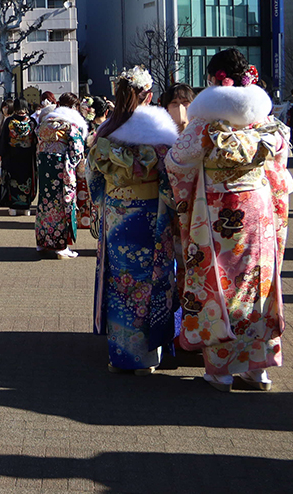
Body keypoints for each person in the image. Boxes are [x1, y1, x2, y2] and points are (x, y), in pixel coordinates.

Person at [166, 50, 292, 392]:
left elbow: (177, 161)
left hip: (218, 211)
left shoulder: (206, 122)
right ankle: (258, 369)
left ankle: (220, 371)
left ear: (214, 79)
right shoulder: (264, 118)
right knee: (258, 283)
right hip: (259, 211)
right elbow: (279, 163)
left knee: (219, 282)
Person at [87, 67, 180, 374]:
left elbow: (91, 176)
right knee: (151, 278)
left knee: (120, 283)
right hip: (151, 212)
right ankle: (148, 356)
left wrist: (103, 204)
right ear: (149, 96)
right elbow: (172, 176)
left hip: (117, 214)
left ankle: (121, 355)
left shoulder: (106, 130)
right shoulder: (159, 130)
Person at [35, 92, 88, 259]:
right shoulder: (71, 125)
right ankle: (60, 246)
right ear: (74, 107)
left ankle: (42, 241)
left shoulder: (45, 122)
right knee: (64, 203)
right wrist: (81, 172)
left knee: (45, 202)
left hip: (45, 166)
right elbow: (77, 151)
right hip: (63, 168)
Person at [0, 99, 38, 216]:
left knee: (12, 180)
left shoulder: (10, 121)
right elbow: (35, 140)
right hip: (28, 156)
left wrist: (0, 154)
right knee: (27, 180)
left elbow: (3, 139)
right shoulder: (31, 121)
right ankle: (26, 207)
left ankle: (13, 207)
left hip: (12, 155)